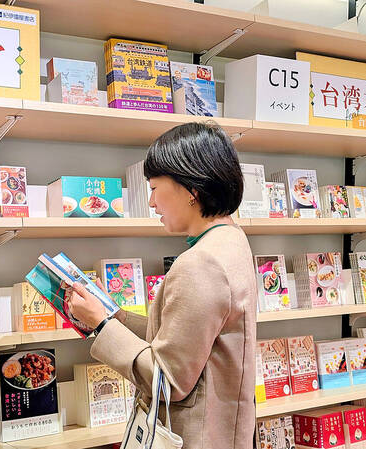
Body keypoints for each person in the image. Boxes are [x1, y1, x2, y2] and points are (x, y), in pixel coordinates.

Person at [68, 122, 257, 448]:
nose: (152, 202)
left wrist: (100, 324)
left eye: (154, 187)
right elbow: (187, 336)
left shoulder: (201, 263)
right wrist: (117, 317)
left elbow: (167, 381)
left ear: (191, 190)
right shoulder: (232, 240)